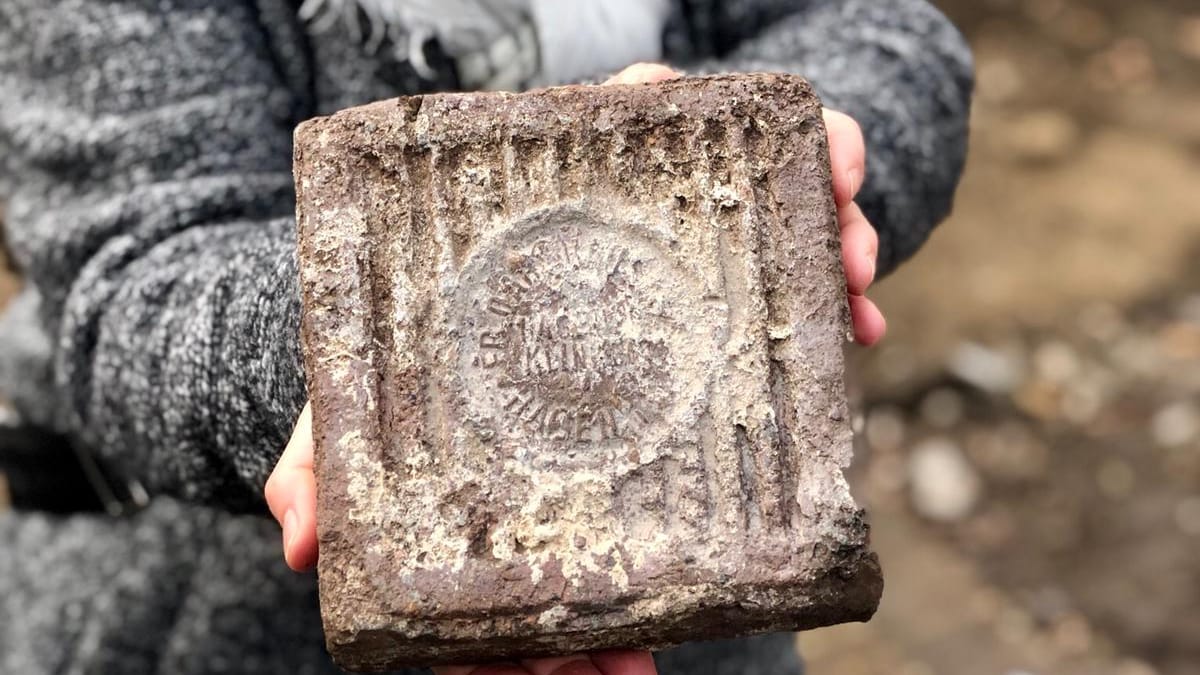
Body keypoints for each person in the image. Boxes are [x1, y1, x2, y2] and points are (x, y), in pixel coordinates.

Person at [0, 1, 973, 673]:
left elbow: (888, 33)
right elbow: (141, 271)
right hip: (206, 607)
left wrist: (783, 161)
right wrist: (371, 343)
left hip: (705, 597)